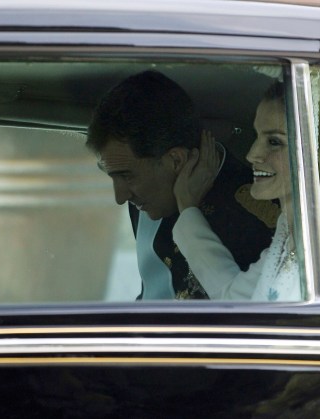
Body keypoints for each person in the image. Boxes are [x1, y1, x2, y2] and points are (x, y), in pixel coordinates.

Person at [172, 82, 320, 301]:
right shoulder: (288, 241)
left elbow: (267, 336)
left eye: (274, 141)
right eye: (257, 136)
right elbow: (233, 296)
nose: (252, 154)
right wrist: (187, 208)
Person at [86, 70, 272, 300]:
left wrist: (188, 211)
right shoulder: (144, 198)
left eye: (127, 176)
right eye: (111, 176)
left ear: (176, 160)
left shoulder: (257, 212)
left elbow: (245, 311)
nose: (120, 196)